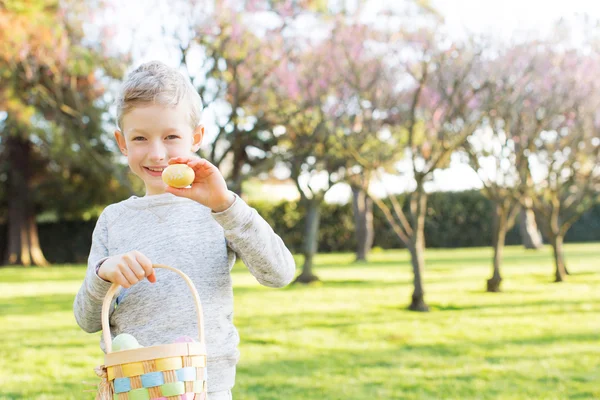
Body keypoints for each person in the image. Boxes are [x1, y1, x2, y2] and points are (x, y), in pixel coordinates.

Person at [73, 60, 296, 400]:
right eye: (140, 138)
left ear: (196, 138)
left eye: (171, 137)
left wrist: (226, 205)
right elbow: (87, 320)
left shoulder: (218, 208)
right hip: (134, 388)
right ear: (122, 142)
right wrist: (103, 274)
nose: (157, 153)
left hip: (207, 387)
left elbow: (279, 273)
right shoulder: (113, 220)